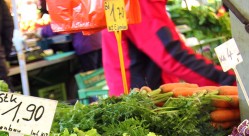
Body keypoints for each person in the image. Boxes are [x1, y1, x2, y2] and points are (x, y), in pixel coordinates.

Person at [101, 0, 235, 95]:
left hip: (141, 92)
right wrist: (229, 81)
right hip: (140, 98)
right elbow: (172, 55)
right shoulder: (141, 3)